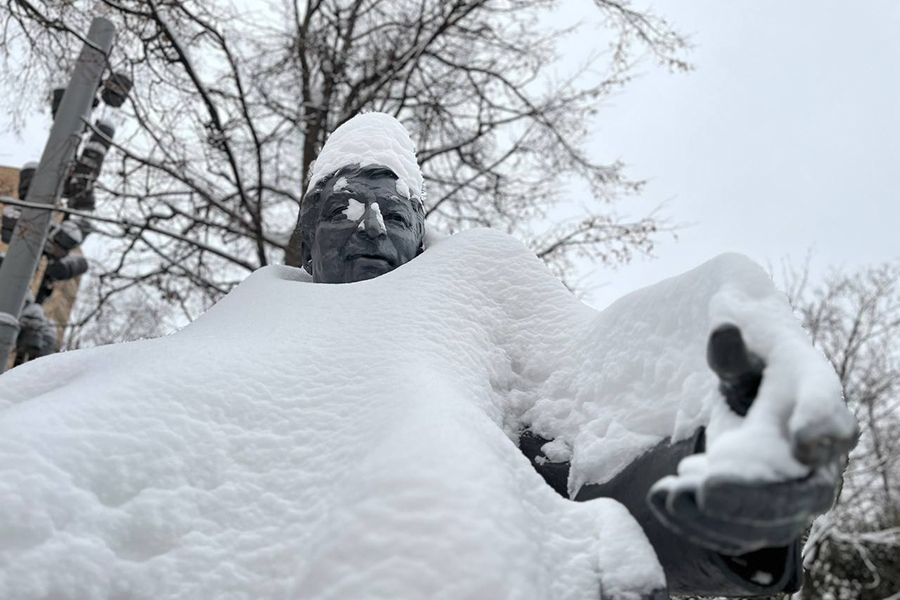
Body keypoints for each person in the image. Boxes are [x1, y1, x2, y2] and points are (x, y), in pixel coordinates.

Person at [288, 113, 857, 597]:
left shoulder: (474, 302)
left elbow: (587, 455)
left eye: (396, 213)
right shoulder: (221, 347)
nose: (371, 228)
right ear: (307, 245)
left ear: (419, 235)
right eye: (343, 211)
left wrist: (727, 473)